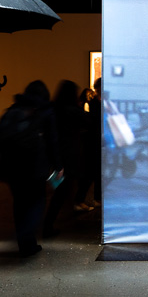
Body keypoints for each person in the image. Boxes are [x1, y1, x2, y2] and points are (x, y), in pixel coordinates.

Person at [0, 80, 62, 257]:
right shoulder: (46, 111)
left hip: (12, 166)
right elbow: (53, 141)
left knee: (20, 203)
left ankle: (24, 242)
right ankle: (27, 238)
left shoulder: (14, 108)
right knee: (37, 202)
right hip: (35, 166)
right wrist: (58, 165)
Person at [43, 80, 92, 237]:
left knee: (59, 191)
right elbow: (89, 121)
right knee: (62, 192)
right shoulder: (72, 111)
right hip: (70, 156)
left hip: (56, 156)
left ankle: (48, 223)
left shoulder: (53, 109)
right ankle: (48, 225)